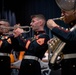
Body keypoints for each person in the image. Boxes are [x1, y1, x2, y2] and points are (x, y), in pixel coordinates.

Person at [47, 0, 76, 75]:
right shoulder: (71, 30)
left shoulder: (71, 32)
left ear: (74, 12)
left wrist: (54, 27)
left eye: (64, 12)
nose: (62, 15)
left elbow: (71, 37)